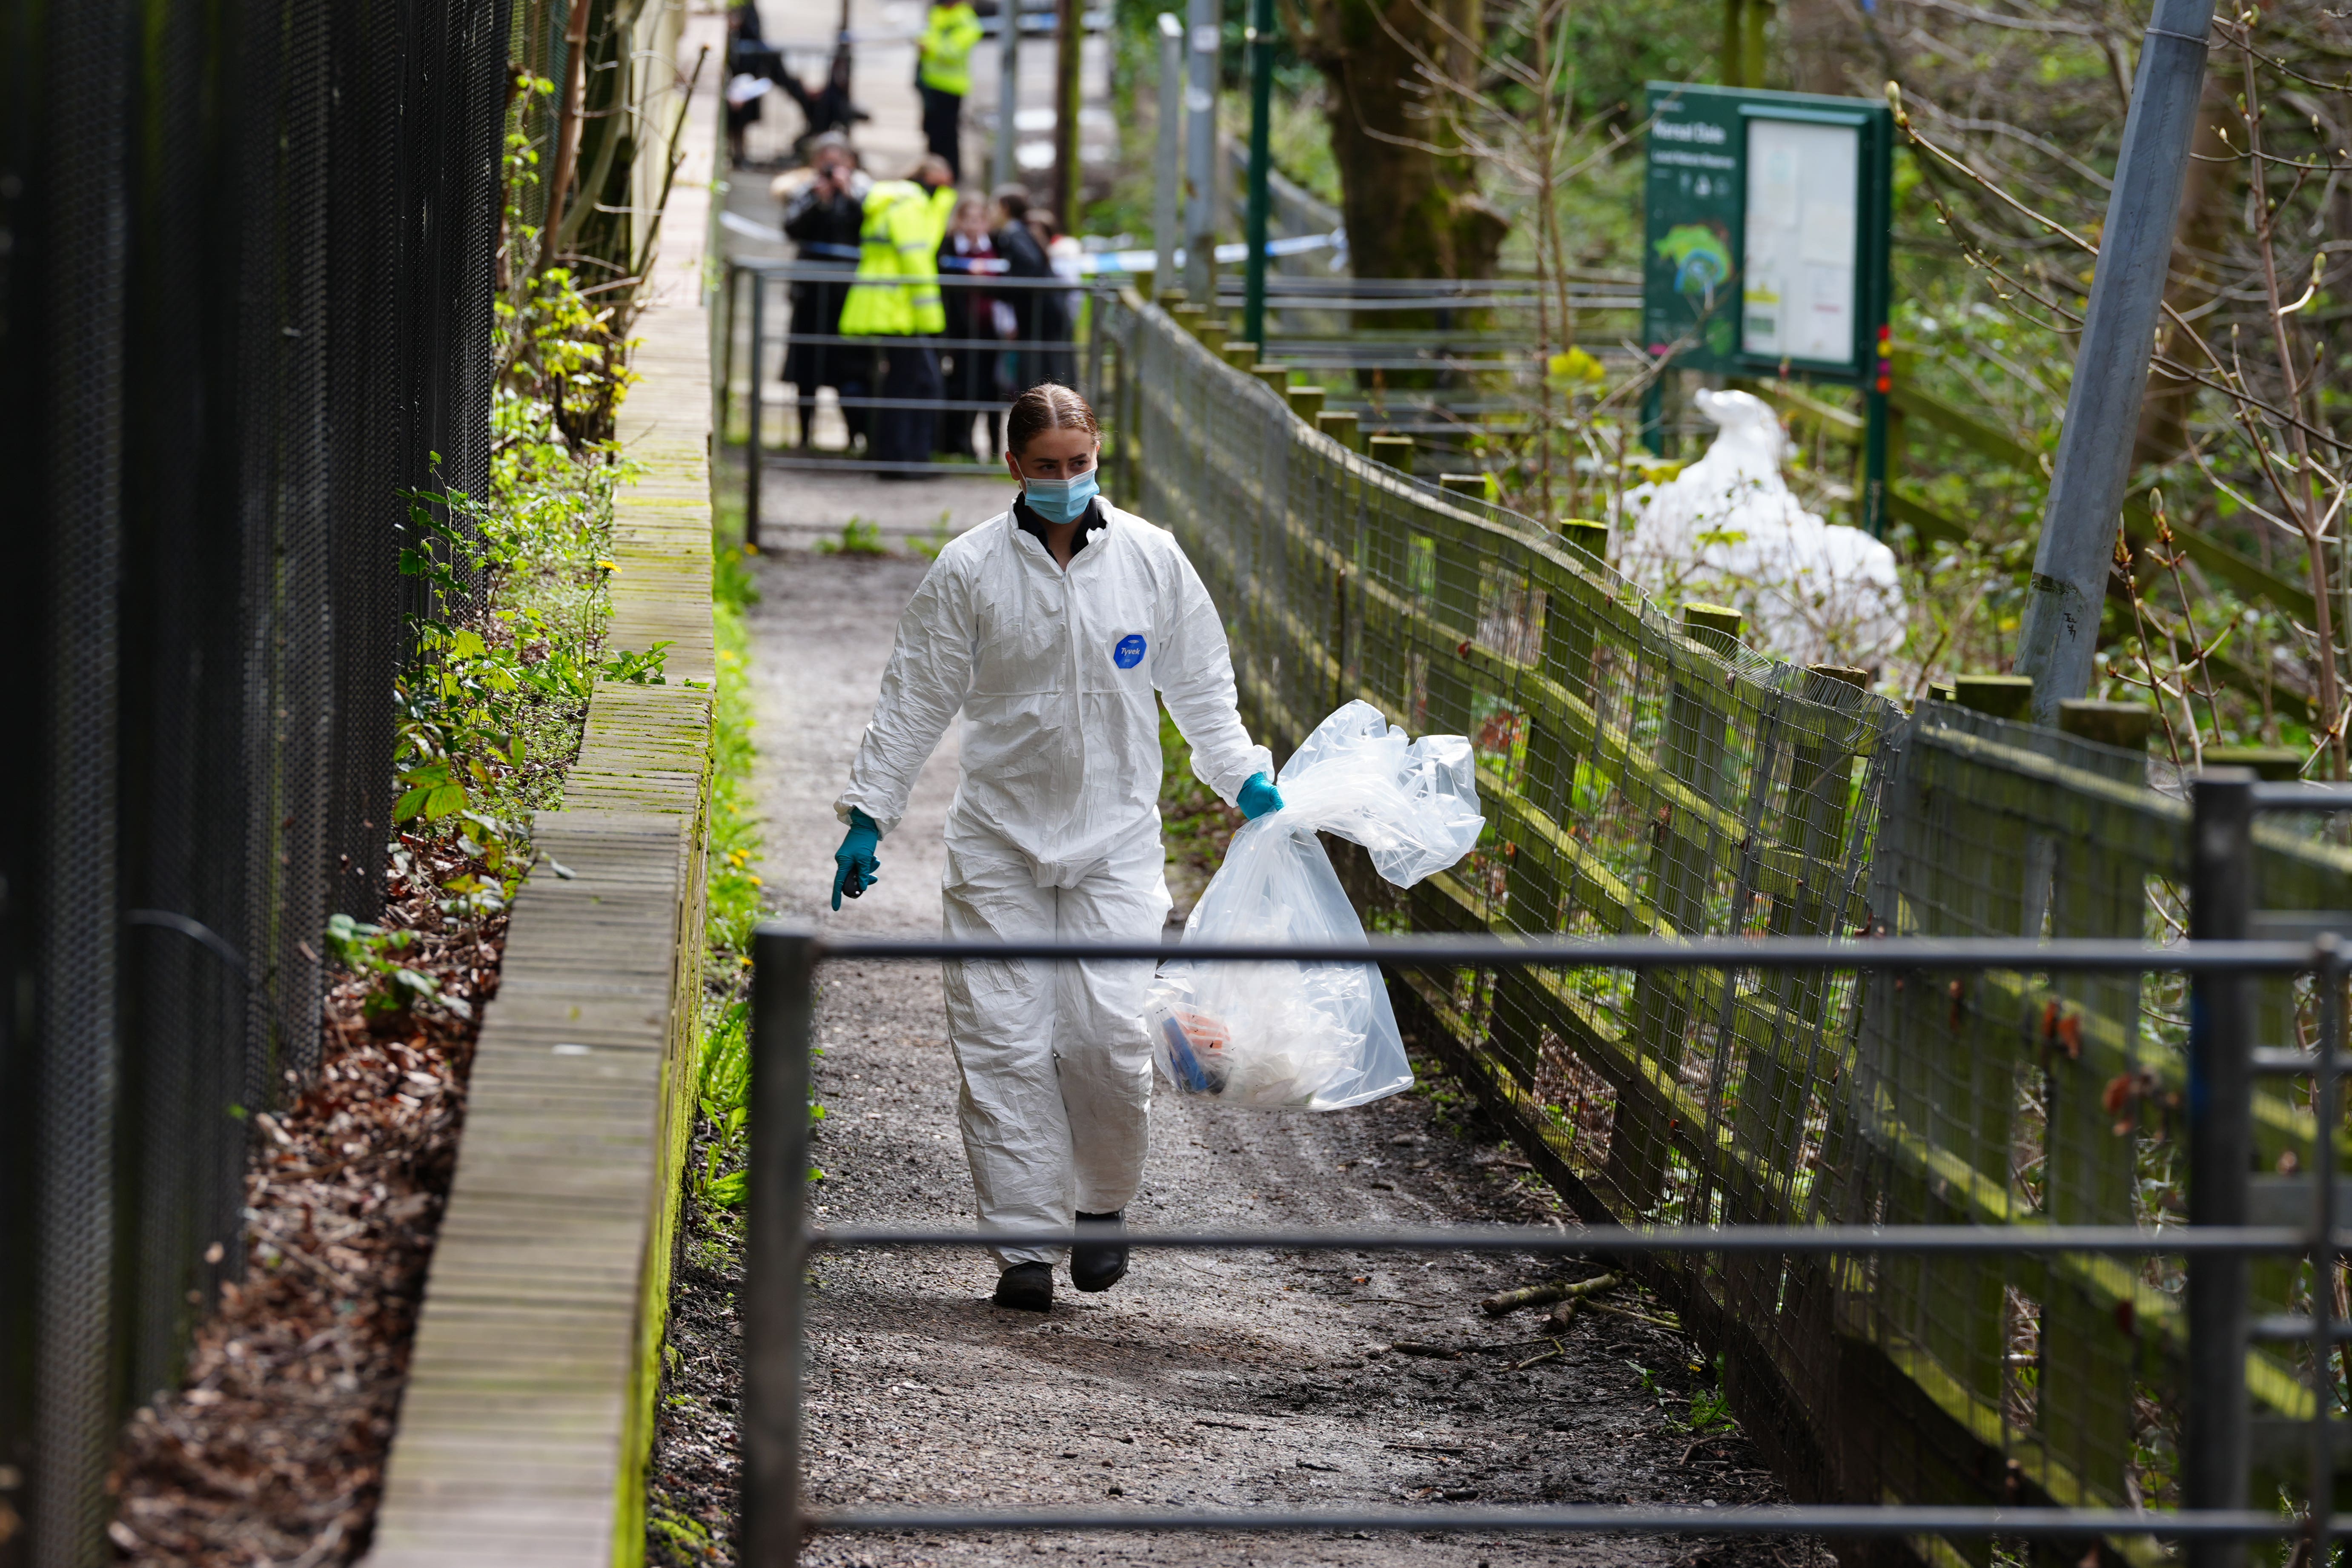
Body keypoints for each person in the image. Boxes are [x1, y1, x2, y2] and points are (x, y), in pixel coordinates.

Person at [828, 384, 1286, 1313]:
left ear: (1097, 455)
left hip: (1114, 839)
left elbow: (1198, 682)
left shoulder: (1151, 561)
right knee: (999, 1043)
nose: (1066, 481)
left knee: (1110, 1036)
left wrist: (1241, 775)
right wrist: (869, 813)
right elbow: (914, 694)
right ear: (1013, 467)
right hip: (998, 841)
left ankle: (1101, 1206)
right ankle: (1023, 1248)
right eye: (1047, 467)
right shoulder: (967, 571)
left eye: (1079, 464)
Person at [839, 156, 959, 467]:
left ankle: (896, 456)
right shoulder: (909, 205)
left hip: (883, 307)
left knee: (900, 385)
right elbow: (916, 260)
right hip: (900, 311)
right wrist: (931, 318)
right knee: (920, 385)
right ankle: (906, 458)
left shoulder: (890, 202)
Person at [780, 136, 869, 449]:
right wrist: (820, 201)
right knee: (806, 367)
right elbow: (791, 229)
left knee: (849, 368)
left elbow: (869, 227)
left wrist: (848, 195)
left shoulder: (864, 191)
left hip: (848, 297)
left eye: (839, 162)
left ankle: (854, 435)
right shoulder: (805, 191)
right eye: (826, 162)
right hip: (810, 294)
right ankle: (804, 436)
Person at [936, 194, 1011, 459]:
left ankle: (994, 449)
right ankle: (961, 444)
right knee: (963, 387)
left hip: (991, 328)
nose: (974, 225)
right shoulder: (947, 247)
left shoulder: (998, 245)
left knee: (992, 389)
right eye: (968, 219)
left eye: (979, 219)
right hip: (960, 329)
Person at [989, 185, 1069, 396]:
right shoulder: (1020, 231)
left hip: (1039, 313)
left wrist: (1000, 288)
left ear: (1004, 207)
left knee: (1040, 371)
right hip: (1042, 311)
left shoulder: (1014, 233)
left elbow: (1029, 264)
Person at [915, 0, 986, 181]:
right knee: (932, 133)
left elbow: (953, 52)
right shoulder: (937, 14)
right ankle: (931, 175)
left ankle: (951, 176)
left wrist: (929, 47)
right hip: (930, 84)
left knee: (948, 135)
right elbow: (925, 36)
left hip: (951, 88)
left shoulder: (966, 21)